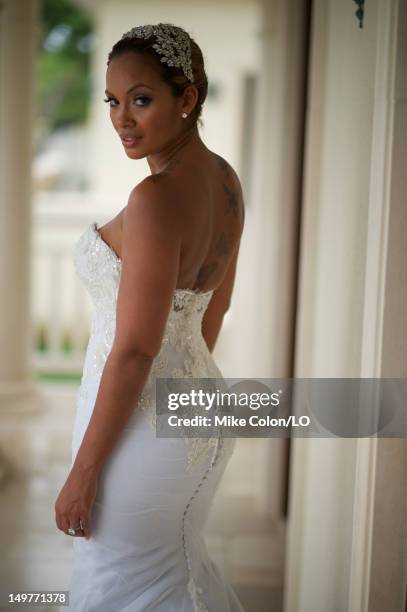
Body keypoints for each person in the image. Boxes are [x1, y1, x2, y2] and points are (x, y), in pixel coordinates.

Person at [55, 22, 246, 612]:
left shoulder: (156, 199)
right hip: (201, 411)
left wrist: (85, 471)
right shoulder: (225, 181)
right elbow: (214, 307)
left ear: (187, 99)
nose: (121, 119)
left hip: (139, 430)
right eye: (112, 101)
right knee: (173, 571)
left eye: (141, 99)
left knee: (122, 584)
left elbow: (137, 349)